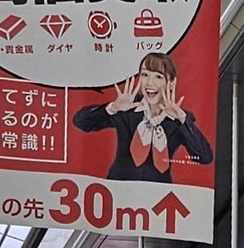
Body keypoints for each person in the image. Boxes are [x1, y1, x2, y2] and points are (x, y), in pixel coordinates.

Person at [73, 53, 214, 183]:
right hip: (119, 192)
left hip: (158, 195)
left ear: (171, 83)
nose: (150, 83)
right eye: (145, 75)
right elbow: (80, 122)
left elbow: (205, 157)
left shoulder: (179, 119)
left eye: (158, 77)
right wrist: (113, 107)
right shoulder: (127, 109)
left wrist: (182, 120)